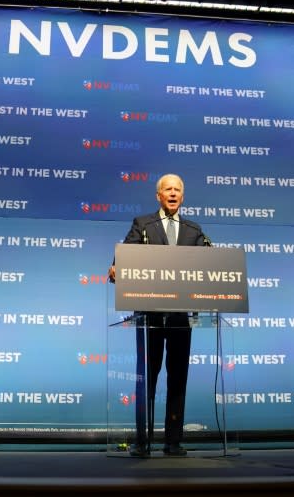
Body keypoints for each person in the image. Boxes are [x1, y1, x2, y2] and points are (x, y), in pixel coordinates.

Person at [107, 173, 208, 457]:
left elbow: (207, 266)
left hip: (179, 318)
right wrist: (117, 267)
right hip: (149, 316)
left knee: (178, 379)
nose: (173, 193)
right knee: (147, 378)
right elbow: (123, 258)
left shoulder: (194, 230)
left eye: (178, 190)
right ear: (159, 196)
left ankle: (173, 441)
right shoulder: (144, 225)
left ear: (183, 196)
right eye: (168, 189)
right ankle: (143, 441)